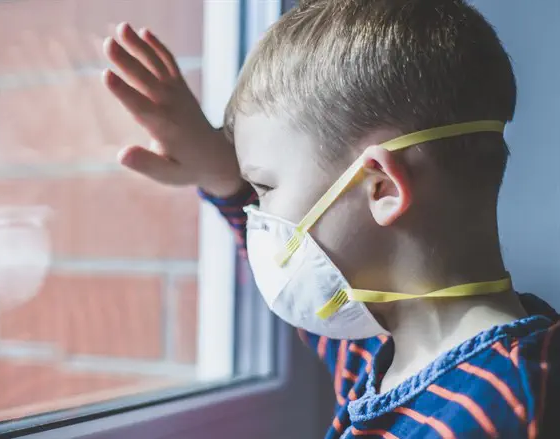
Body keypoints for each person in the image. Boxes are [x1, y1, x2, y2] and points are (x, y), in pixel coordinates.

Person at [101, 0, 559, 437]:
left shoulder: (503, 416)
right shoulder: (393, 353)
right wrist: (224, 177)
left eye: (265, 189)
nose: (259, 216)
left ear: (381, 188)